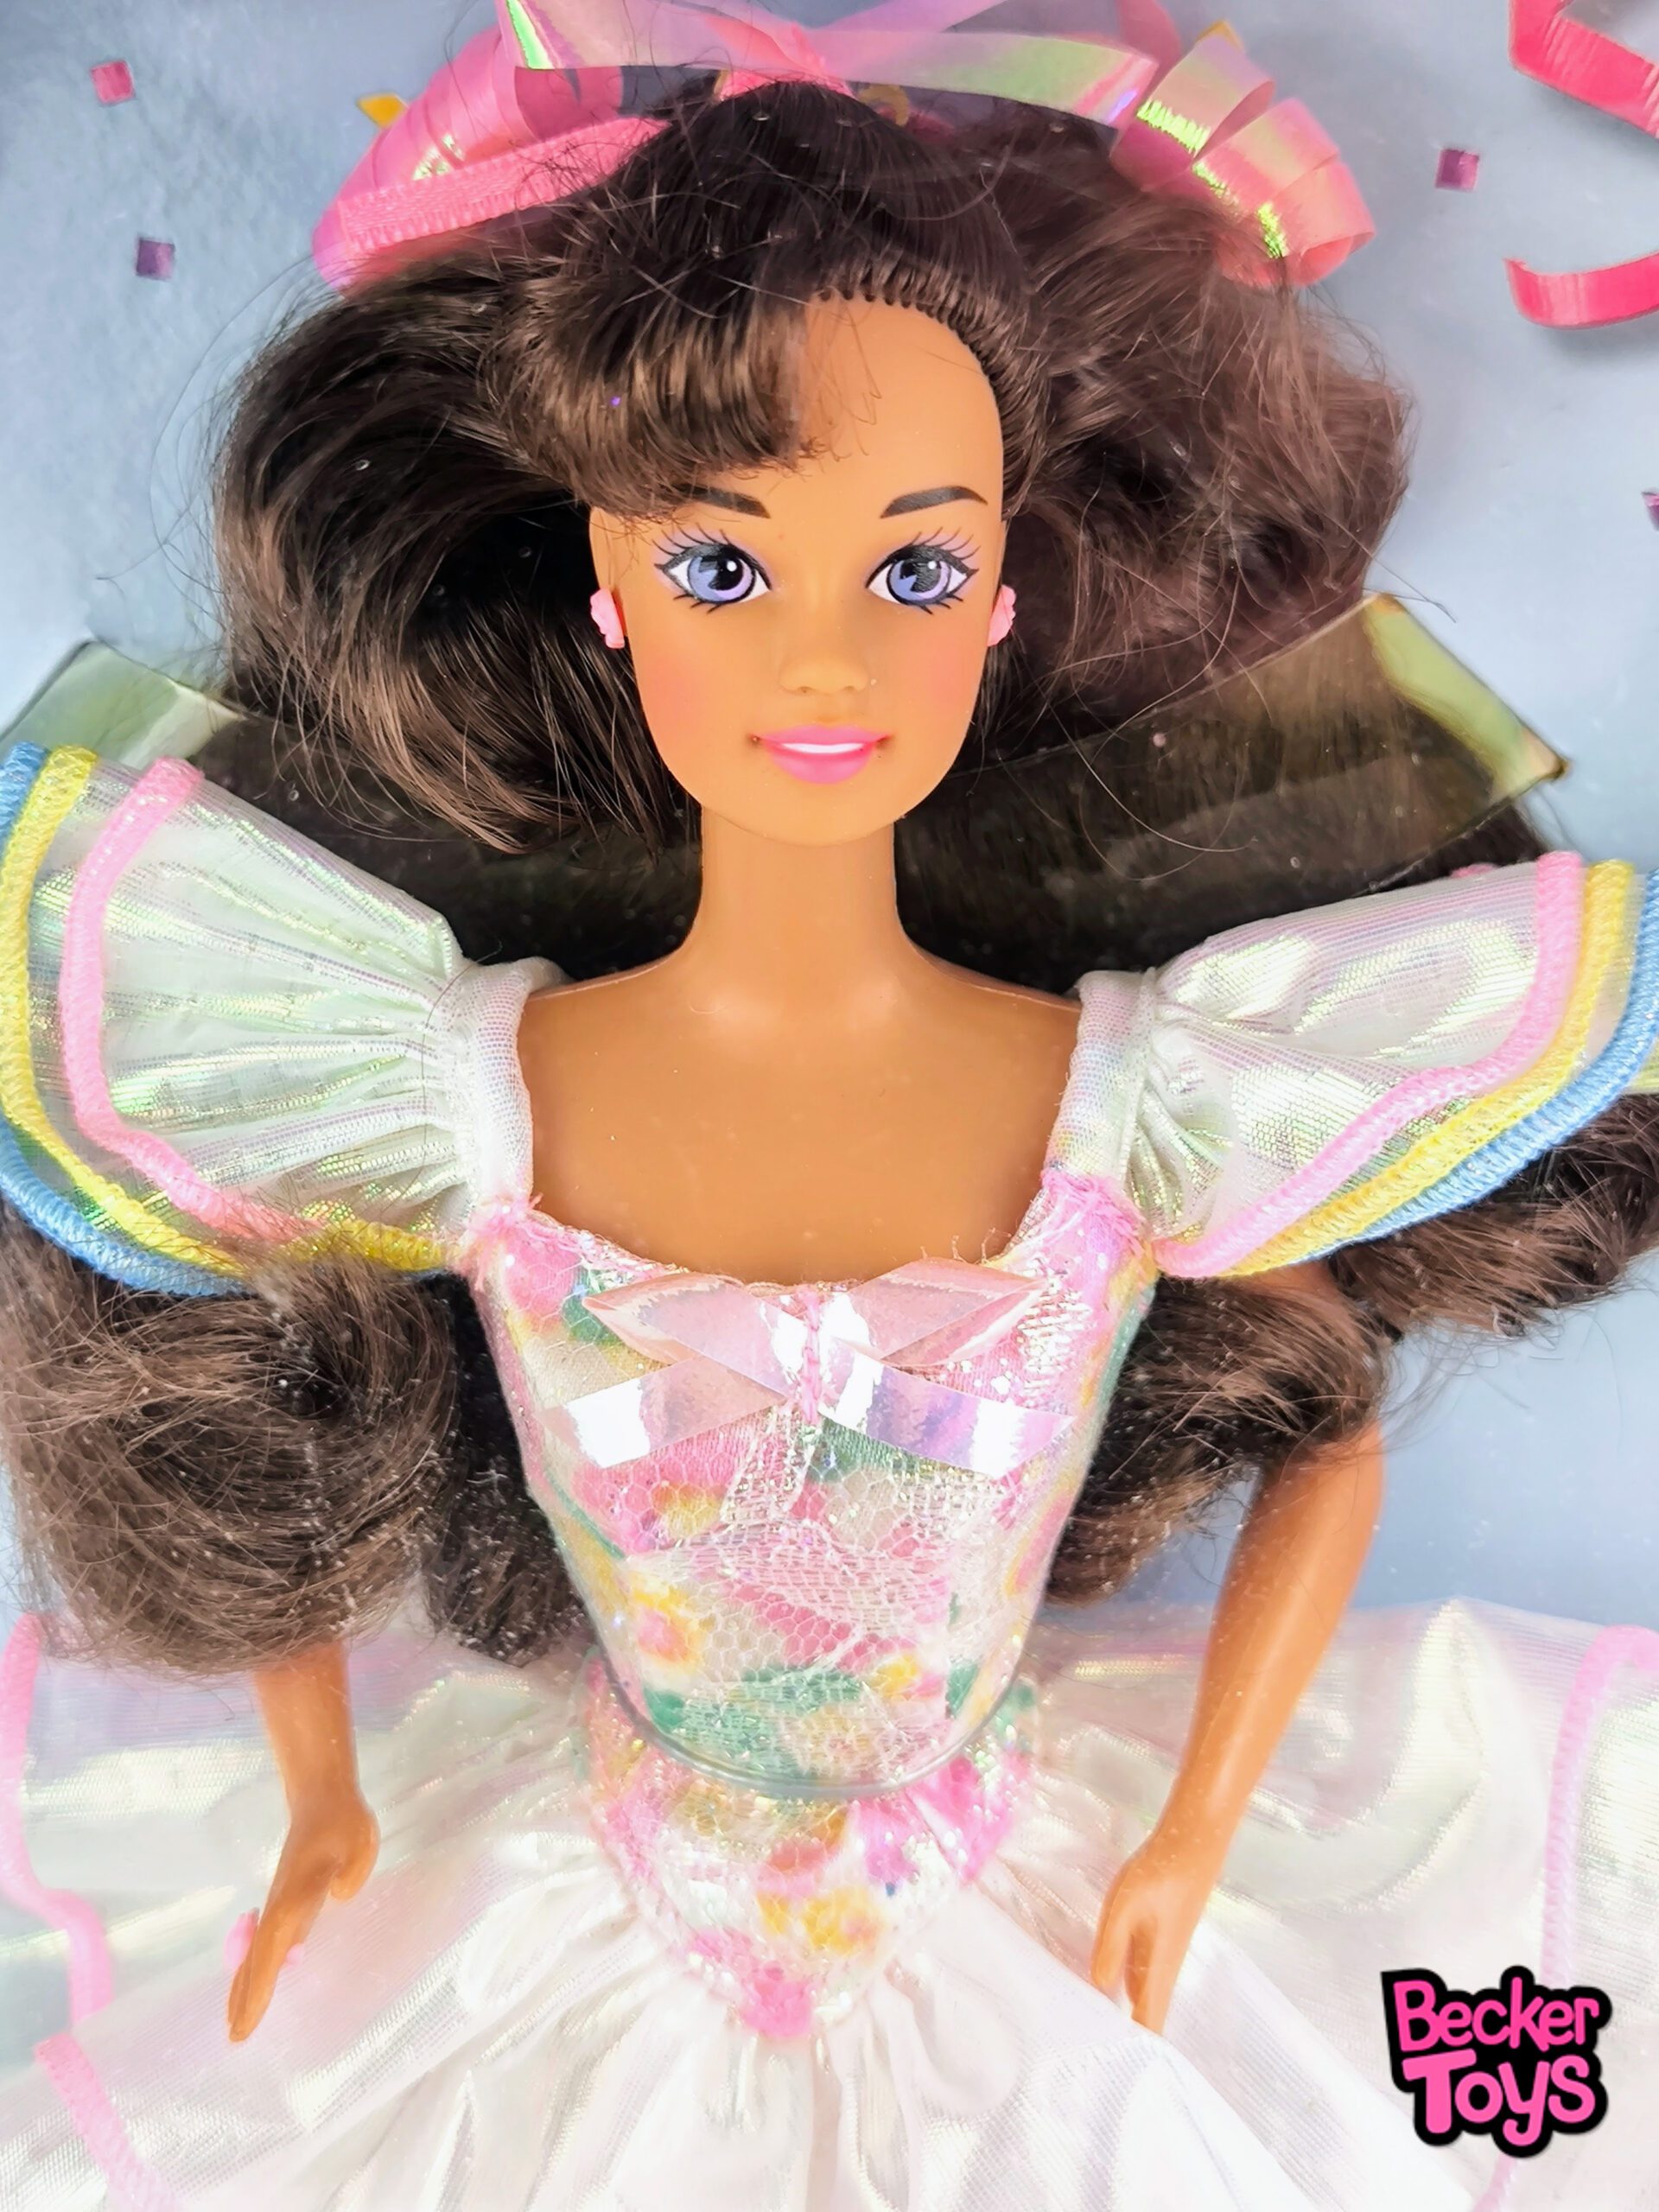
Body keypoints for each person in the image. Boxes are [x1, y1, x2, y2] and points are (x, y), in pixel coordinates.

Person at [2, 10, 1656, 2206]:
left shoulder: (1135, 1101)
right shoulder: (448, 1098)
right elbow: (266, 1413)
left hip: (1019, 1873)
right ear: (607, 588)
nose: (821, 660)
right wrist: (320, 1795)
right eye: (722, 566)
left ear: (997, 599)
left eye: (909, 569)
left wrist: (1193, 1830)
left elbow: (1328, 1431)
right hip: (588, 1878)